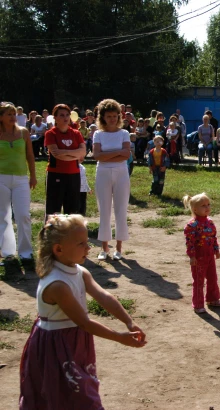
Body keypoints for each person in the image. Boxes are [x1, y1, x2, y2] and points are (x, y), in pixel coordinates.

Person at [19, 214, 146, 408]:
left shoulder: (78, 271)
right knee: (69, 396)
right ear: (59, 249)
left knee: (79, 390)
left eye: (87, 242)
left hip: (74, 340)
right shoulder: (57, 285)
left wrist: (128, 321)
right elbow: (84, 322)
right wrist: (120, 337)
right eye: (81, 244)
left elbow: (103, 296)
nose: (88, 248)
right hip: (56, 345)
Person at [92, 99, 131, 261]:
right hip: (103, 172)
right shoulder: (98, 134)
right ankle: (104, 248)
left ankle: (119, 248)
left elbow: (127, 154)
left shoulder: (124, 133)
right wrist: (117, 153)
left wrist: (108, 155)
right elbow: (96, 155)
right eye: (109, 116)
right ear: (103, 117)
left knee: (121, 209)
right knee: (104, 210)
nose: (112, 119)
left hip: (121, 171)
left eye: (115, 116)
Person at [0, 102, 36, 264]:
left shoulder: (24, 132)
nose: (13, 117)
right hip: (2, 178)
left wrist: (33, 176)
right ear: (1, 117)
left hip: (21, 179)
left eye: (14, 114)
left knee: (23, 215)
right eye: (9, 114)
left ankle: (26, 252)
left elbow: (30, 156)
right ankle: (7, 252)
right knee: (3, 216)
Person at [183, 192, 220, 313]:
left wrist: (216, 249)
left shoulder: (210, 222)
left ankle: (212, 298)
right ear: (195, 209)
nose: (207, 207)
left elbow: (213, 236)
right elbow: (190, 242)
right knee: (199, 281)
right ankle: (198, 304)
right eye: (203, 205)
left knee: (212, 278)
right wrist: (192, 256)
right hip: (198, 257)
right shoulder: (192, 225)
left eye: (208, 204)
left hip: (209, 254)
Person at [44, 104, 86, 216]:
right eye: (61, 115)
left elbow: (83, 153)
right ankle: (52, 233)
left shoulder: (76, 133)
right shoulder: (50, 134)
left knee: (72, 210)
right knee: (54, 210)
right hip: (55, 174)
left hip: (74, 175)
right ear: (55, 118)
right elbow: (57, 154)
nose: (65, 117)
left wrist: (65, 152)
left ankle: (71, 233)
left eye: (67, 115)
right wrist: (75, 154)